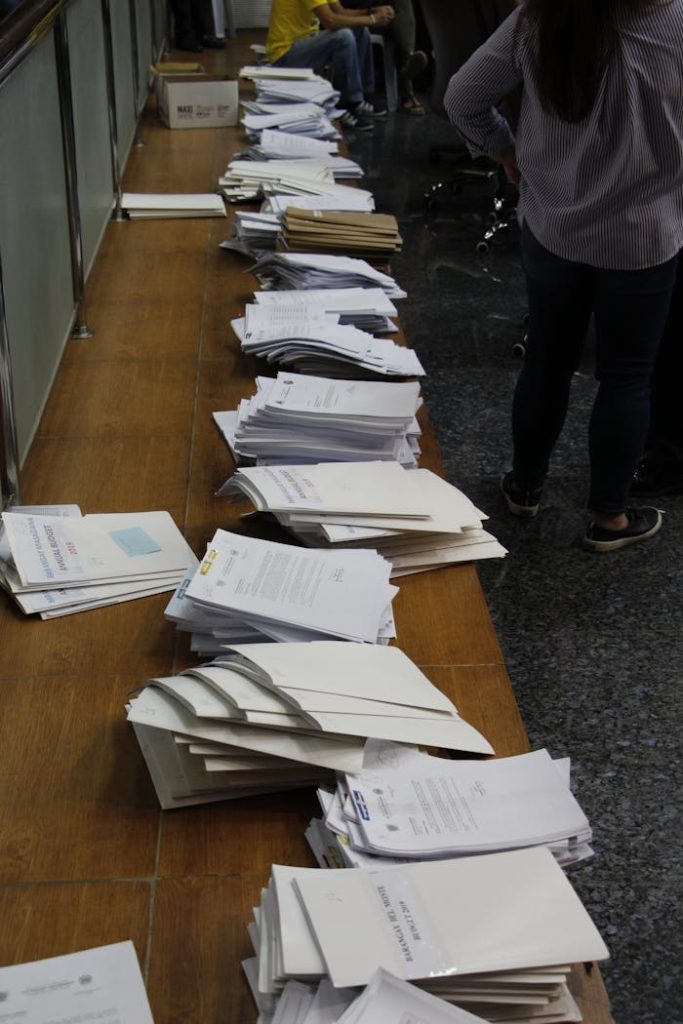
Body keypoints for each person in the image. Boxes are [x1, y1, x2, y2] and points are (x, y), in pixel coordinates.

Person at [445, 0, 683, 551]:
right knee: (627, 376)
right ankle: (610, 519)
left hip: (554, 225)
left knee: (549, 358)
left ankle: (524, 487)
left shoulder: (545, 14)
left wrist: (501, 146)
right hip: (644, 237)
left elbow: (462, 96)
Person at [266, 0, 395, 131]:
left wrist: (371, 12)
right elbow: (330, 21)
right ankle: (343, 106)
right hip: (284, 57)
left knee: (360, 29)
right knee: (343, 37)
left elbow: (340, 12)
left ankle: (359, 99)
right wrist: (372, 19)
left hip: (303, 46)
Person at [340, 0, 427, 114]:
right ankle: (406, 79)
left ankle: (408, 63)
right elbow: (336, 11)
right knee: (398, 10)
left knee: (398, 12)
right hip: (353, 16)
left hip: (378, 13)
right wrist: (374, 12)